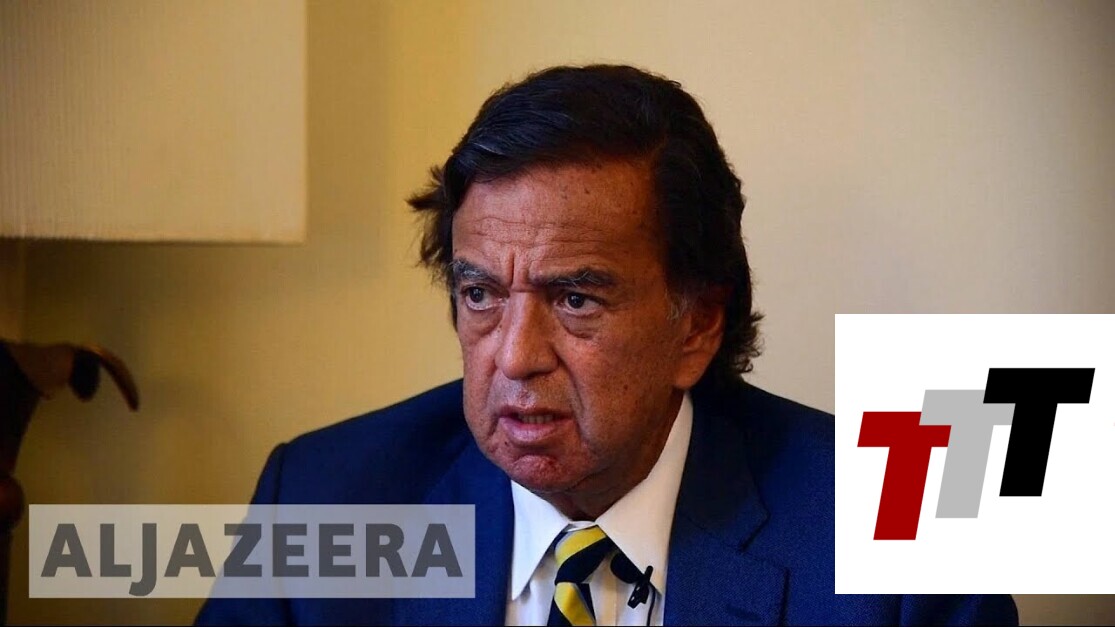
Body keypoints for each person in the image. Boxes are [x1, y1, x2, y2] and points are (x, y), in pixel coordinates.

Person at [197, 65, 1017, 625]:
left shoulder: (898, 532)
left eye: (575, 299)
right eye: (480, 294)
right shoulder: (325, 500)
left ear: (696, 325)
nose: (513, 357)